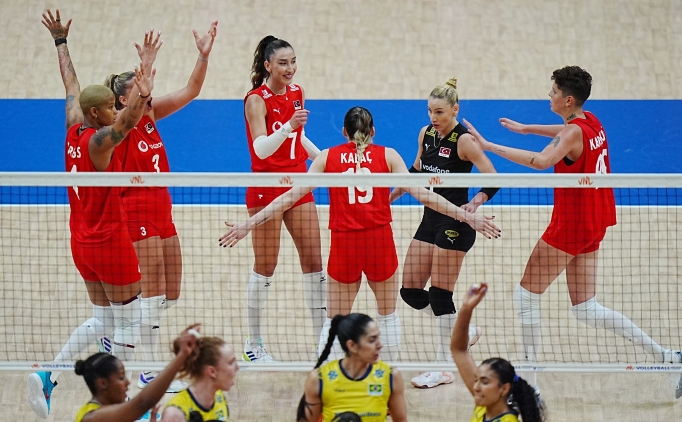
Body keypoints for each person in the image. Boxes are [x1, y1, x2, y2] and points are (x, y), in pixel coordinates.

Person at [463, 65, 682, 396]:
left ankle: (530, 381)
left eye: (553, 92)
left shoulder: (572, 133)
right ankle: (668, 357)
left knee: (525, 296)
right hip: (595, 221)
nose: (548, 95)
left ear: (567, 100)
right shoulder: (591, 121)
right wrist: (526, 129)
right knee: (586, 308)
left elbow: (541, 161)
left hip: (572, 225)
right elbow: (566, 132)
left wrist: (488, 146)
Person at [220, 106, 500, 362]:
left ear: (344, 132)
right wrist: (466, 215)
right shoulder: (388, 156)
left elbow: (290, 196)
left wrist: (249, 223)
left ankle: (327, 380)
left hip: (345, 246)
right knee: (387, 317)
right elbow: (425, 195)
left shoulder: (327, 158)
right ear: (373, 131)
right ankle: (386, 379)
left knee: (334, 322)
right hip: (380, 245)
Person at [28, 10, 153, 419]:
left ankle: (49, 374)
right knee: (130, 321)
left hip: (81, 243)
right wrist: (142, 90)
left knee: (103, 320)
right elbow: (129, 122)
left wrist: (61, 43)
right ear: (98, 114)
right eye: (109, 109)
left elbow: (71, 86)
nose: (114, 113)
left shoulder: (72, 127)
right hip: (110, 243)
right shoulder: (99, 142)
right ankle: (123, 402)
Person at [103, 20, 218, 392]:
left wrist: (203, 56)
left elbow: (192, 90)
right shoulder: (120, 124)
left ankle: (121, 329)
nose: (150, 92)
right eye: (142, 87)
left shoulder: (150, 113)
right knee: (152, 291)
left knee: (170, 293)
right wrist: (146, 69)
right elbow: (133, 111)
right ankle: (148, 369)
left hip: (161, 210)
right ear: (124, 100)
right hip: (134, 212)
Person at [390, 77, 499, 389]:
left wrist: (474, 204)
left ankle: (443, 367)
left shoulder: (464, 141)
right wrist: (388, 198)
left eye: (439, 112)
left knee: (440, 295)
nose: (433, 118)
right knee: (410, 291)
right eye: (429, 111)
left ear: (455, 110)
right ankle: (463, 330)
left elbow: (492, 177)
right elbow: (416, 173)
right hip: (430, 219)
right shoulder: (425, 134)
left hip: (456, 224)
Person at [241, 35, 326, 362]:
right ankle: (254, 344)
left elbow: (299, 138)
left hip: (298, 185)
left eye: (293, 62)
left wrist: (325, 160)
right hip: (266, 188)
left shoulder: (297, 92)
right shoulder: (256, 100)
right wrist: (288, 126)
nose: (290, 69)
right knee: (266, 266)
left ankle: (322, 342)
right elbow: (261, 148)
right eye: (282, 63)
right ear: (268, 66)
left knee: (314, 262)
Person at [450, 283, 545, 422]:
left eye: (484, 382)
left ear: (504, 389)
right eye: (476, 380)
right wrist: (466, 308)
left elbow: (459, 351)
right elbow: (459, 350)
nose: (475, 387)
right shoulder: (484, 407)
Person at [74, 325, 200, 422]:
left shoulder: (108, 412)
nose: (128, 382)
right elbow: (144, 402)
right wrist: (181, 356)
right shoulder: (94, 417)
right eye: (121, 378)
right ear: (102, 383)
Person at [295, 313, 407, 422]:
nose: (380, 345)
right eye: (372, 340)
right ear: (352, 346)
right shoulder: (319, 379)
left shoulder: (391, 377)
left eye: (378, 338)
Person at [161, 334, 239, 421]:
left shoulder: (220, 397)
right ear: (212, 372)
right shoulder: (174, 414)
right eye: (231, 363)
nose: (237, 367)